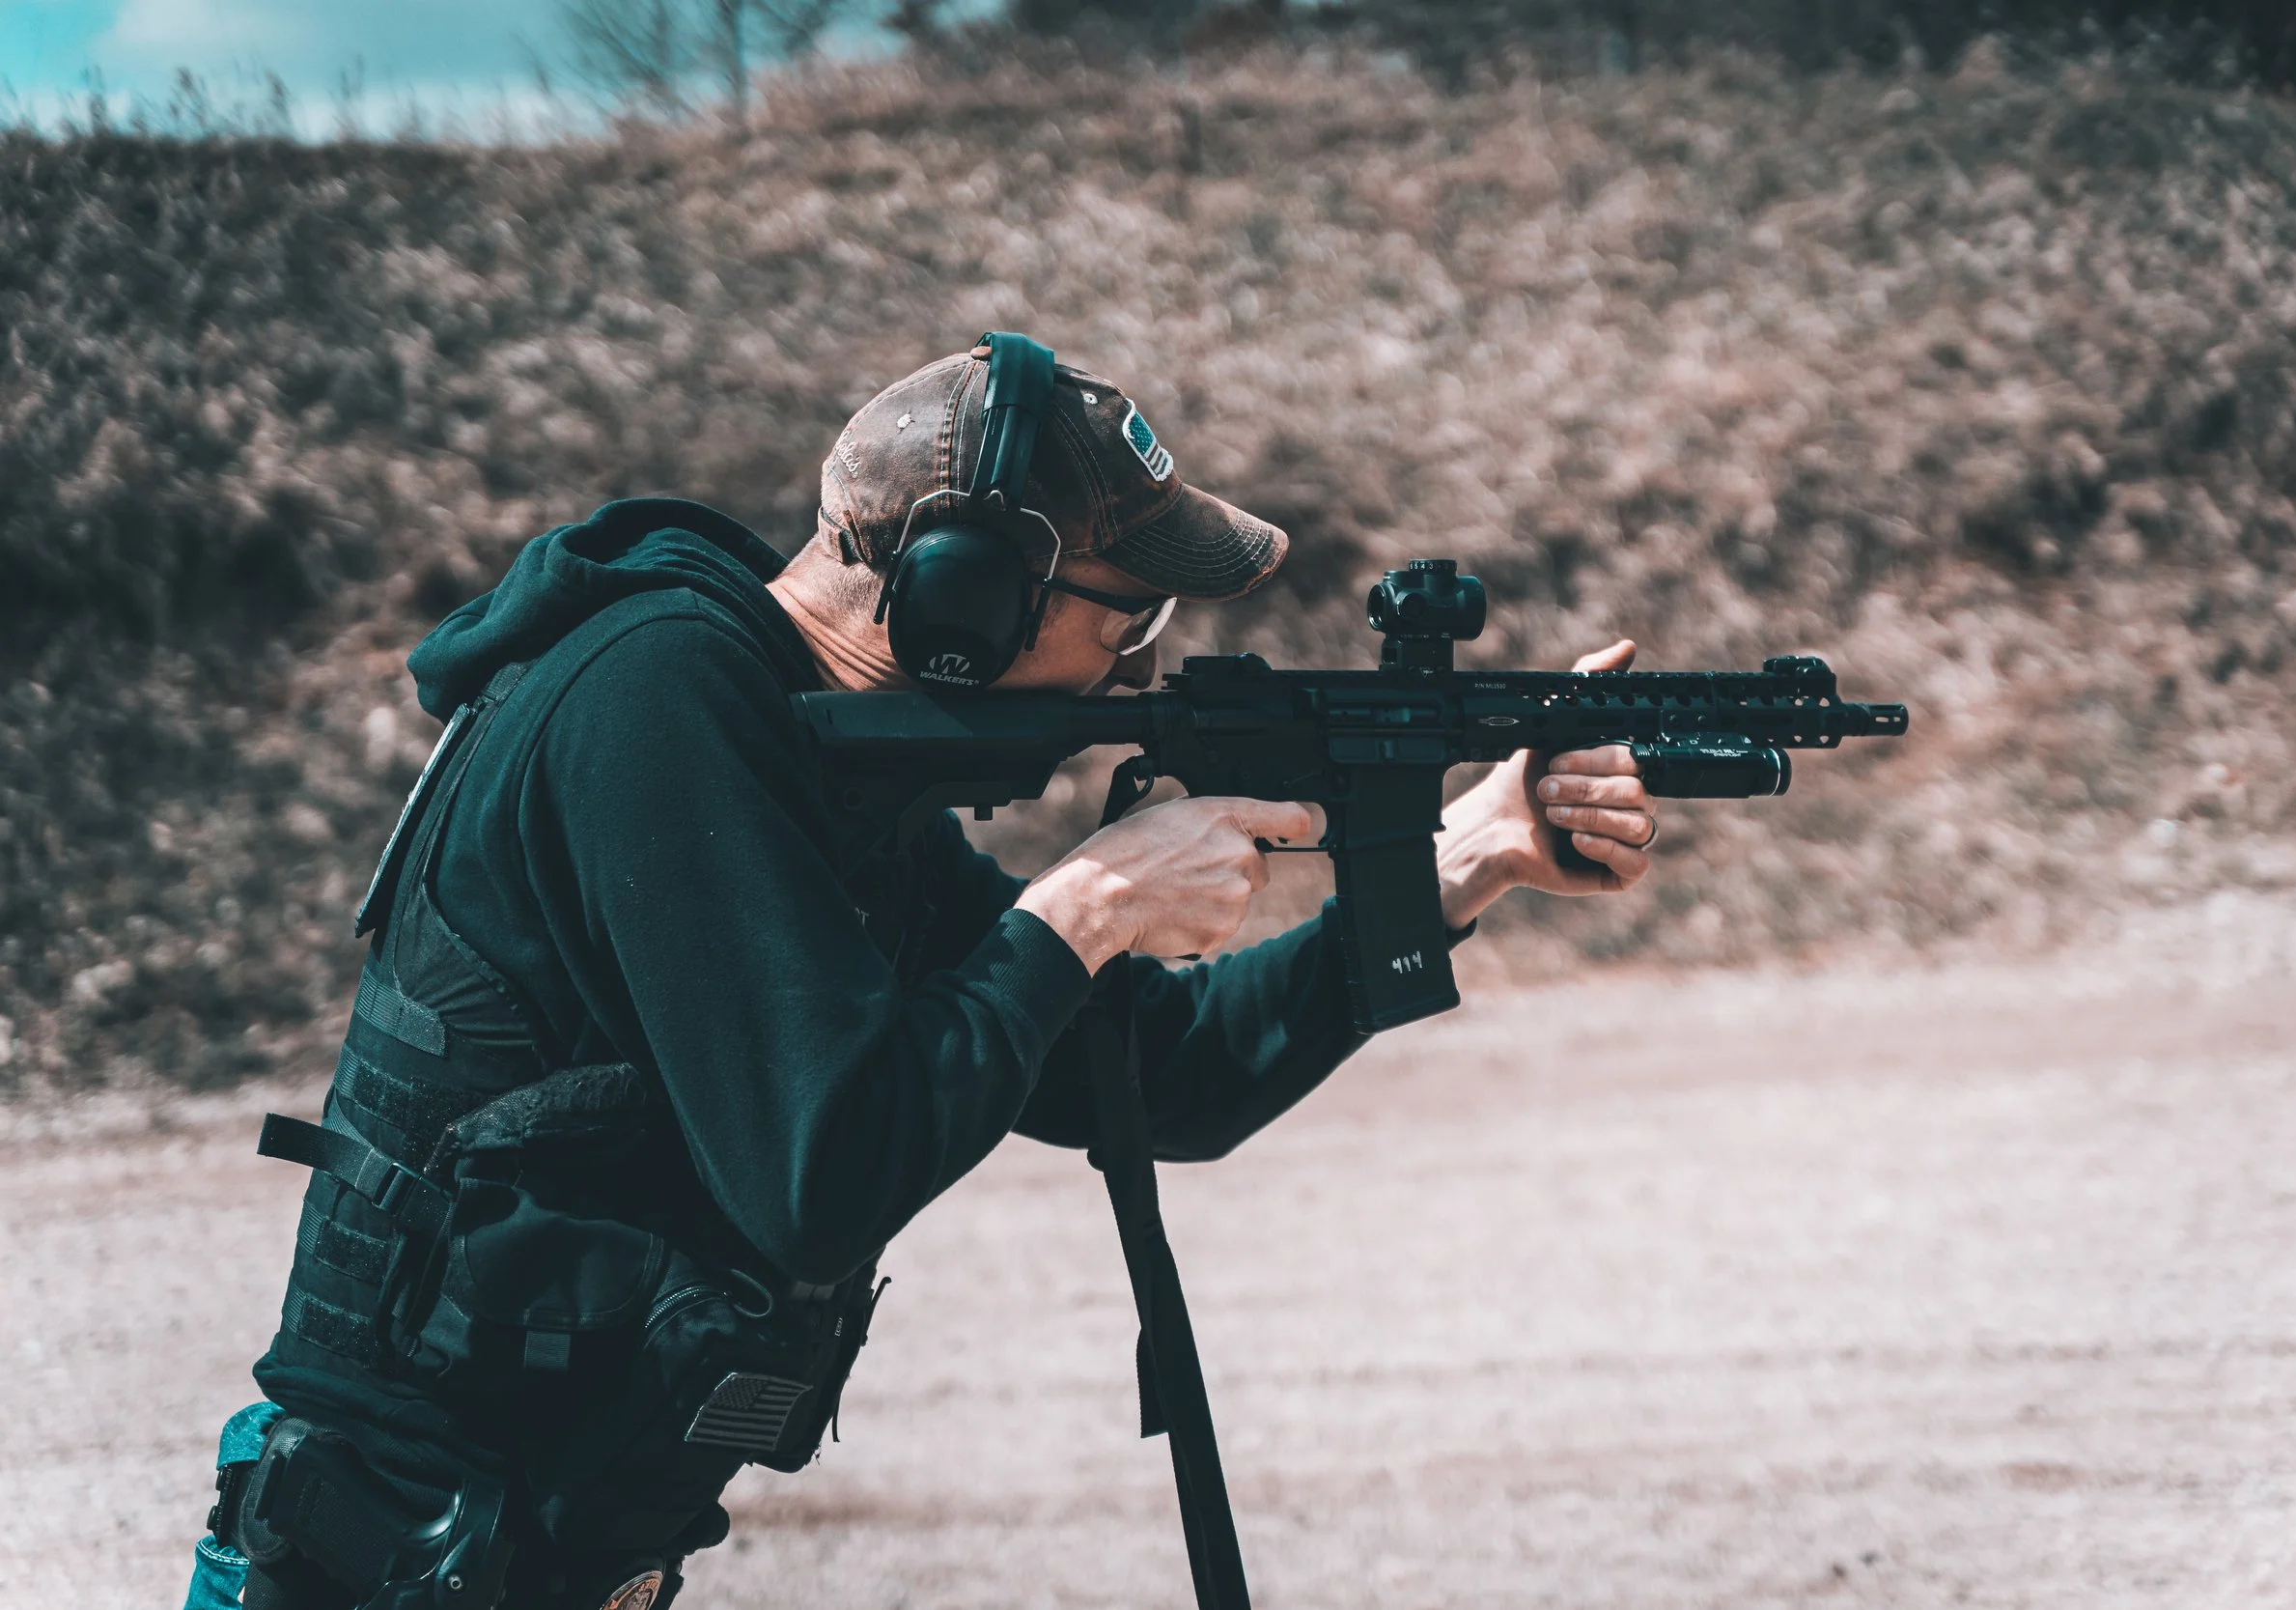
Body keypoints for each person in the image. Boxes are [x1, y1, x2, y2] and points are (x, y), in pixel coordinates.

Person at [184, 336, 1658, 1610]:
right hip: (385, 1557)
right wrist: (1083, 907)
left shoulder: (829, 795)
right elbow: (823, 1171)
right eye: (1122, 615)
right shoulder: (659, 696)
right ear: (967, 602)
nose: (1139, 665)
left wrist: (1466, 863)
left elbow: (1168, 1078)